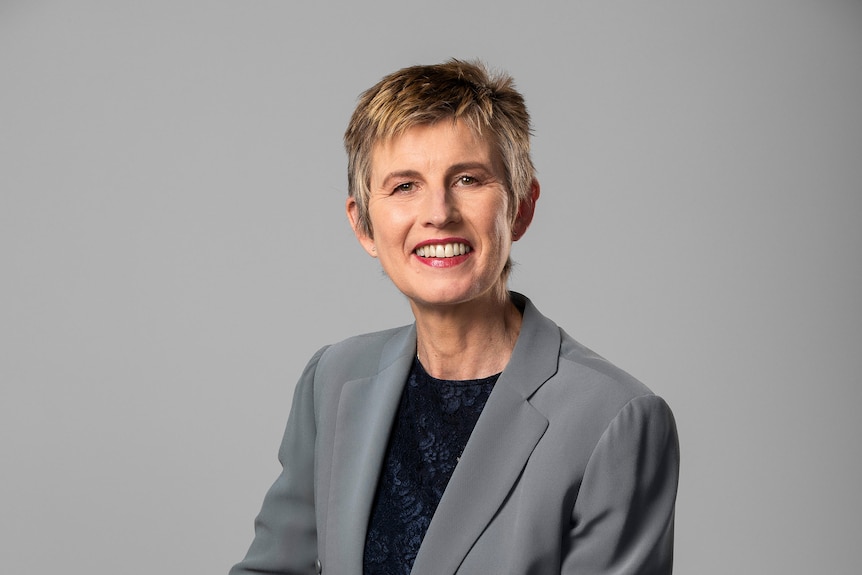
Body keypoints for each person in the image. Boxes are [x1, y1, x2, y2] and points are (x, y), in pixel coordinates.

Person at [230, 59, 679, 575]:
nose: (438, 212)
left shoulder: (614, 419)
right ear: (364, 225)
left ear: (521, 207)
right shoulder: (331, 380)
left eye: (467, 178)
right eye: (404, 186)